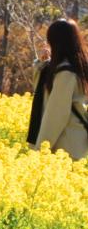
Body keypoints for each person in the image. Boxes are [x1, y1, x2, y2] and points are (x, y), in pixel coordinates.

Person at [27, 18, 88, 161]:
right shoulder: (72, 65)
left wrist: (41, 149)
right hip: (69, 138)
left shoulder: (66, 72)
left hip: (66, 142)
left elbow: (56, 113)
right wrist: (42, 63)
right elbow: (42, 92)